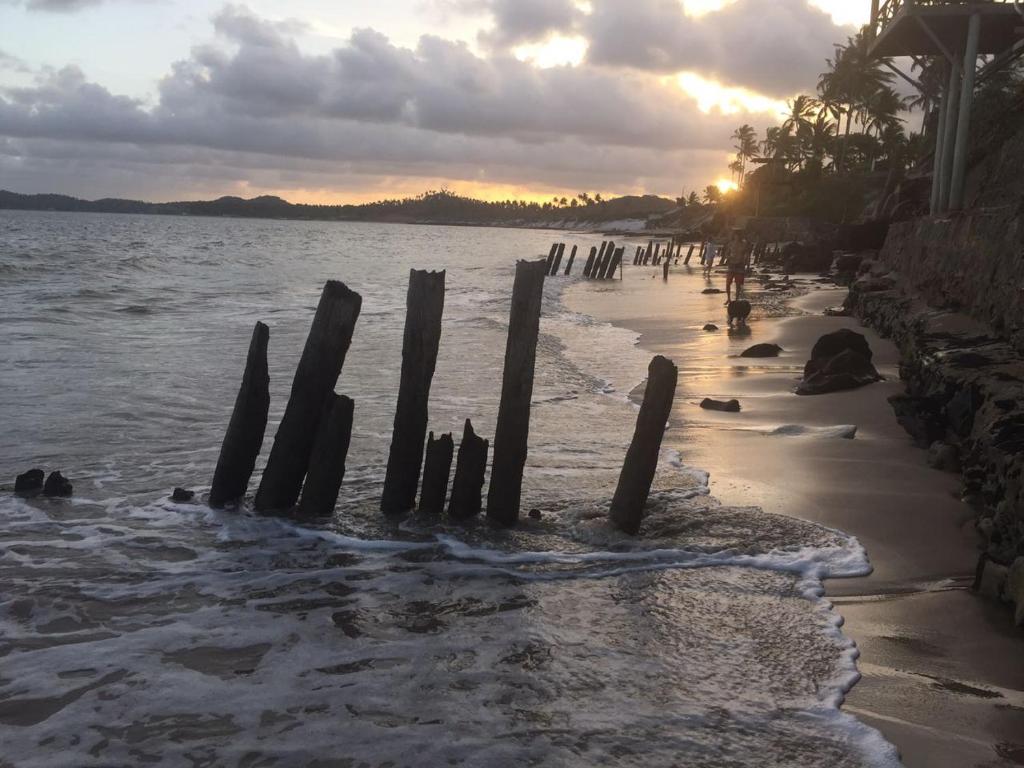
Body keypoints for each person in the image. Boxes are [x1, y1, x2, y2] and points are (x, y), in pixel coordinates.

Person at [725, 231, 749, 303]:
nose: (736, 237)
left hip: (740, 265)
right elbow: (726, 254)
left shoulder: (744, 244)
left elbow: (747, 255)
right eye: (735, 235)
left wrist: (747, 265)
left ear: (740, 236)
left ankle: (736, 299)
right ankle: (728, 298)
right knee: (728, 283)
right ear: (734, 236)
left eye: (738, 235)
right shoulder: (730, 244)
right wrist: (729, 257)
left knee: (738, 284)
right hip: (731, 265)